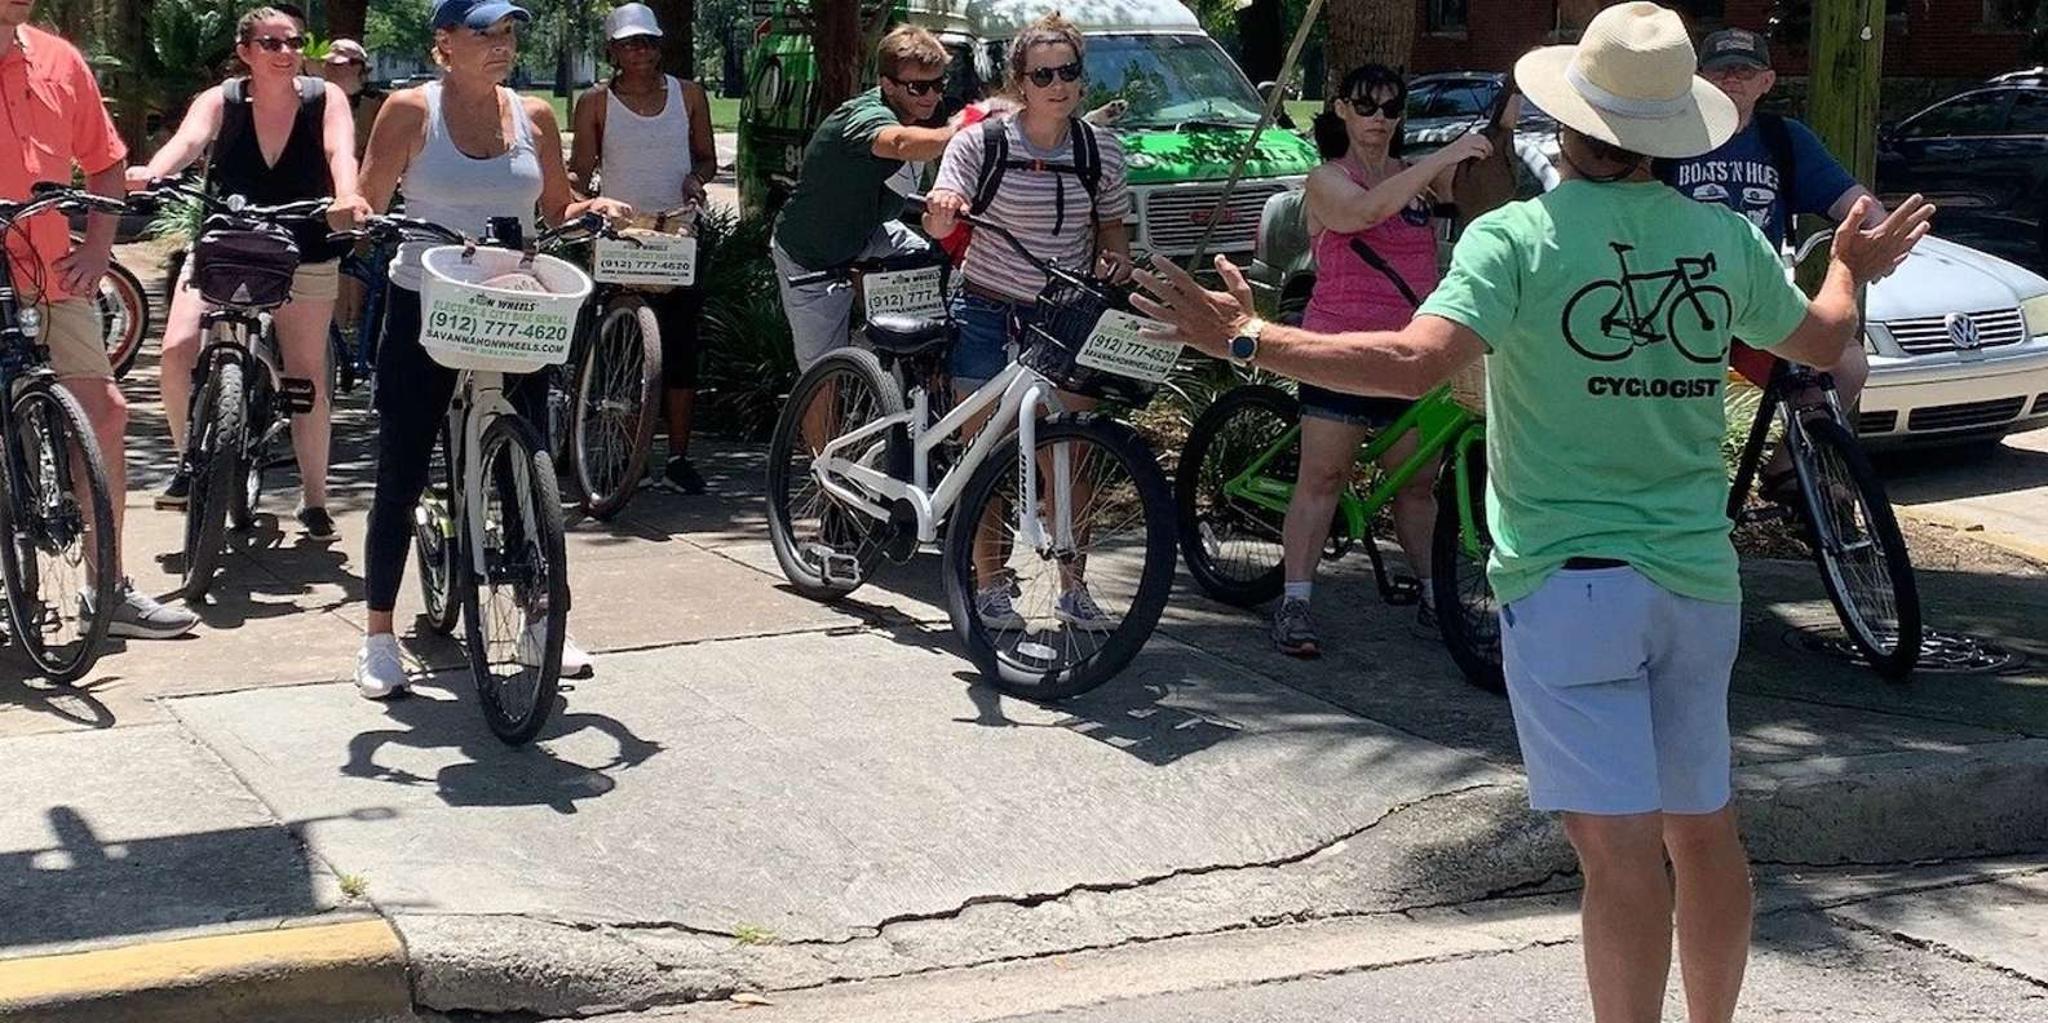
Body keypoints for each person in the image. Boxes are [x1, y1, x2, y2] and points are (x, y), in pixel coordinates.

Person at [1129, 5, 1933, 1020]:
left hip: (1565, 583)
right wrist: (1851, 269)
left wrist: (1249, 341)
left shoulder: (1516, 236)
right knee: (1702, 830)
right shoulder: (1720, 238)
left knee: (1618, 856)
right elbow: (1819, 342)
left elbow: (1413, 360)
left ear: (1566, 122)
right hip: (1693, 582)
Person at [351, 0, 631, 699]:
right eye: (486, 34)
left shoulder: (532, 116)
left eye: (508, 33)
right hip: (427, 296)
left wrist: (590, 211)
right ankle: (379, 634)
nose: (502, 45)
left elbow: (559, 206)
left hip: (512, 303)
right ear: (444, 43)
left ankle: (541, 616)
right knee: (404, 465)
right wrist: (355, 218)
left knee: (526, 463)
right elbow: (369, 198)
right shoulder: (411, 112)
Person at [1267, 63, 1492, 659]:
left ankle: (1432, 595)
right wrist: (1435, 159)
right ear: (1340, 109)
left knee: (1417, 485)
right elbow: (1362, 213)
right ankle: (1295, 601)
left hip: (1407, 351)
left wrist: (1482, 149)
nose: (1378, 121)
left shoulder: (1415, 179)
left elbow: (1466, 215)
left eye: (1391, 109)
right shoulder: (1326, 178)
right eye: (1365, 107)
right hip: (1339, 348)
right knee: (1323, 478)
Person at [921, 12, 1135, 632]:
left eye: (1068, 71)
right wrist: (943, 209)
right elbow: (940, 222)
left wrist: (1115, 259)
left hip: (1063, 317)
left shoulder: (1101, 150)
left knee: (1071, 452)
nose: (1057, 84)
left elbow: (1112, 226)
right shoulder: (981, 142)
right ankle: (989, 584)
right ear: (1020, 80)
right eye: (1043, 74)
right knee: (983, 450)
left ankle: (1074, 586)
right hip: (986, 305)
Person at [0, 6, 198, 638]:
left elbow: (106, 162)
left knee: (105, 412)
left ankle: (105, 589)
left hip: (53, 271)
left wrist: (96, 247)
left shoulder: (59, 59)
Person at [135, 6, 367, 544]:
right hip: (227, 243)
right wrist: (154, 172)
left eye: (294, 43)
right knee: (176, 349)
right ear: (245, 52)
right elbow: (188, 142)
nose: (286, 53)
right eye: (271, 44)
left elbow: (340, 150)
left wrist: (347, 194)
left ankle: (313, 499)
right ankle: (188, 462)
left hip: (304, 246)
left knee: (305, 373)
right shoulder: (221, 101)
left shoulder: (323, 99)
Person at [1657, 26, 1883, 499]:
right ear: (1699, 78)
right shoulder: (1669, 141)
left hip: (1757, 299)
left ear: (1768, 81)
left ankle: (1785, 471)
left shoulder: (1783, 140)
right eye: (1720, 69)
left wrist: (1876, 230)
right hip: (1680, 303)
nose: (1732, 79)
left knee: (1846, 366)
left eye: (1745, 70)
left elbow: (1853, 201)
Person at [568, 2, 718, 494]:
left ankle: (677, 455)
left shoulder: (688, 95)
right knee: (620, 345)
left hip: (674, 230)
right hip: (621, 234)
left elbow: (706, 158)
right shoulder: (595, 102)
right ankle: (628, 452)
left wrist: (696, 180)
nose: (642, 51)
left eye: (649, 42)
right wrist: (578, 200)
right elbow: (582, 168)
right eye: (631, 42)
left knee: (679, 348)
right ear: (612, 50)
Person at [772, 25, 958, 371]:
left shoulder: (922, 111)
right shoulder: (865, 116)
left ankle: (892, 359)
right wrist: (962, 133)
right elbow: (901, 143)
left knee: (934, 266)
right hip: (811, 254)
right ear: (887, 84)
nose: (931, 96)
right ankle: (824, 412)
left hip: (867, 233)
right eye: (919, 86)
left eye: (938, 84)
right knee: (821, 374)